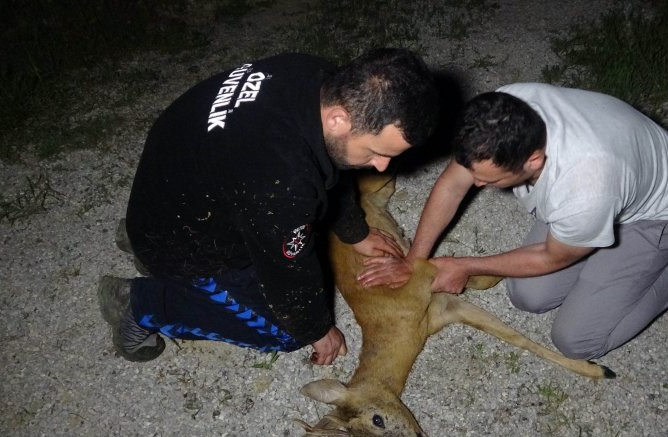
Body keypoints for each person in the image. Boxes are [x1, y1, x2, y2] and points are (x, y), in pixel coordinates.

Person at [97, 48, 439, 364]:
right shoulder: (282, 182)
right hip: (181, 237)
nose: (381, 166)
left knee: (329, 163)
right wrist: (317, 330)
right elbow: (287, 274)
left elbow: (336, 164)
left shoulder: (314, 75)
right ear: (339, 118)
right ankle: (140, 304)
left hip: (170, 190)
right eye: (378, 152)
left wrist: (354, 232)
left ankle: (140, 238)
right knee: (286, 332)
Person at [358, 83, 668, 360]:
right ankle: (598, 248)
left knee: (576, 340)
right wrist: (415, 261)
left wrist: (463, 265)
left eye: (488, 180)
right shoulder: (502, 115)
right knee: (528, 296)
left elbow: (553, 257)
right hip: (611, 190)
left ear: (534, 161)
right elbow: (453, 185)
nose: (476, 184)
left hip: (658, 213)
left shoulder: (586, 186)